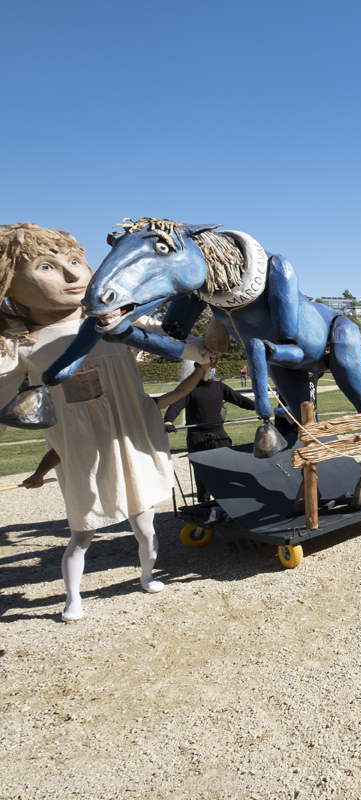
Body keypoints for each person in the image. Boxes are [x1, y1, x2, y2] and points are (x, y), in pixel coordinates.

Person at [1, 223, 215, 620]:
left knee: (146, 527)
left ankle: (147, 575)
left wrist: (206, 352)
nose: (71, 275)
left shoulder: (117, 320)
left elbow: (180, 343)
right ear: (9, 284)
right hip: (83, 449)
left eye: (75, 261)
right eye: (46, 267)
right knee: (81, 535)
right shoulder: (20, 345)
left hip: (132, 438)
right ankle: (73, 598)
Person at [164, 358, 259, 499]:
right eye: (206, 369)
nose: (210, 372)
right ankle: (205, 503)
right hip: (198, 437)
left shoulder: (220, 387)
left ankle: (229, 500)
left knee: (227, 468)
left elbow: (240, 400)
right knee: (203, 472)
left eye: (212, 369)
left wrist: (260, 407)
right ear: (197, 371)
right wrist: (168, 421)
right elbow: (176, 405)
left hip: (219, 434)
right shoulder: (189, 388)